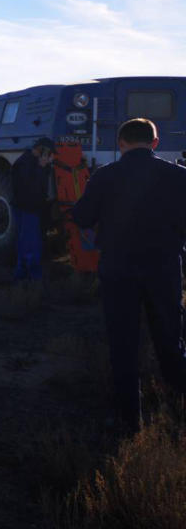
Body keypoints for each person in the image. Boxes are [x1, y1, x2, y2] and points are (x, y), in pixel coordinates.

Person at [72, 117, 186, 432]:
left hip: (118, 269)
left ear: (120, 144)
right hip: (164, 269)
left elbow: (83, 217)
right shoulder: (179, 177)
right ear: (155, 142)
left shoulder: (105, 176)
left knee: (123, 345)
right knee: (170, 342)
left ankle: (128, 421)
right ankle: (179, 408)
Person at [11, 138, 55, 283]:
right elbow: (30, 187)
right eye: (49, 154)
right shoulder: (27, 163)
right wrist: (42, 168)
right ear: (42, 151)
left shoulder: (27, 161)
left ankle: (22, 272)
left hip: (27, 207)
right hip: (28, 208)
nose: (51, 158)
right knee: (30, 242)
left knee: (25, 241)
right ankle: (31, 275)